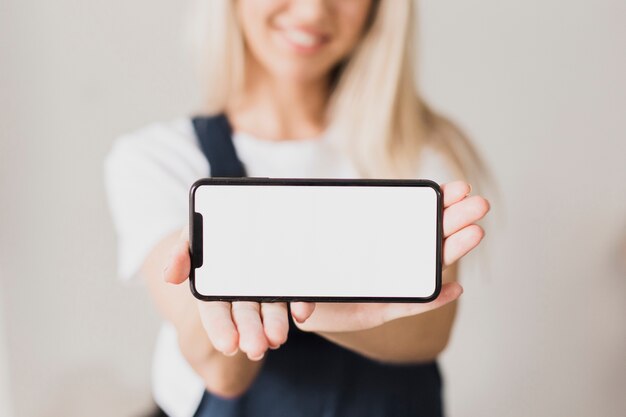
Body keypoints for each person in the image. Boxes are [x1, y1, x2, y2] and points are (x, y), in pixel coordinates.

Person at [104, 0, 491, 416]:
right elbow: (222, 372)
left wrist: (313, 298)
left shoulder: (416, 149)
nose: (311, 10)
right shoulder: (160, 159)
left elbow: (429, 330)